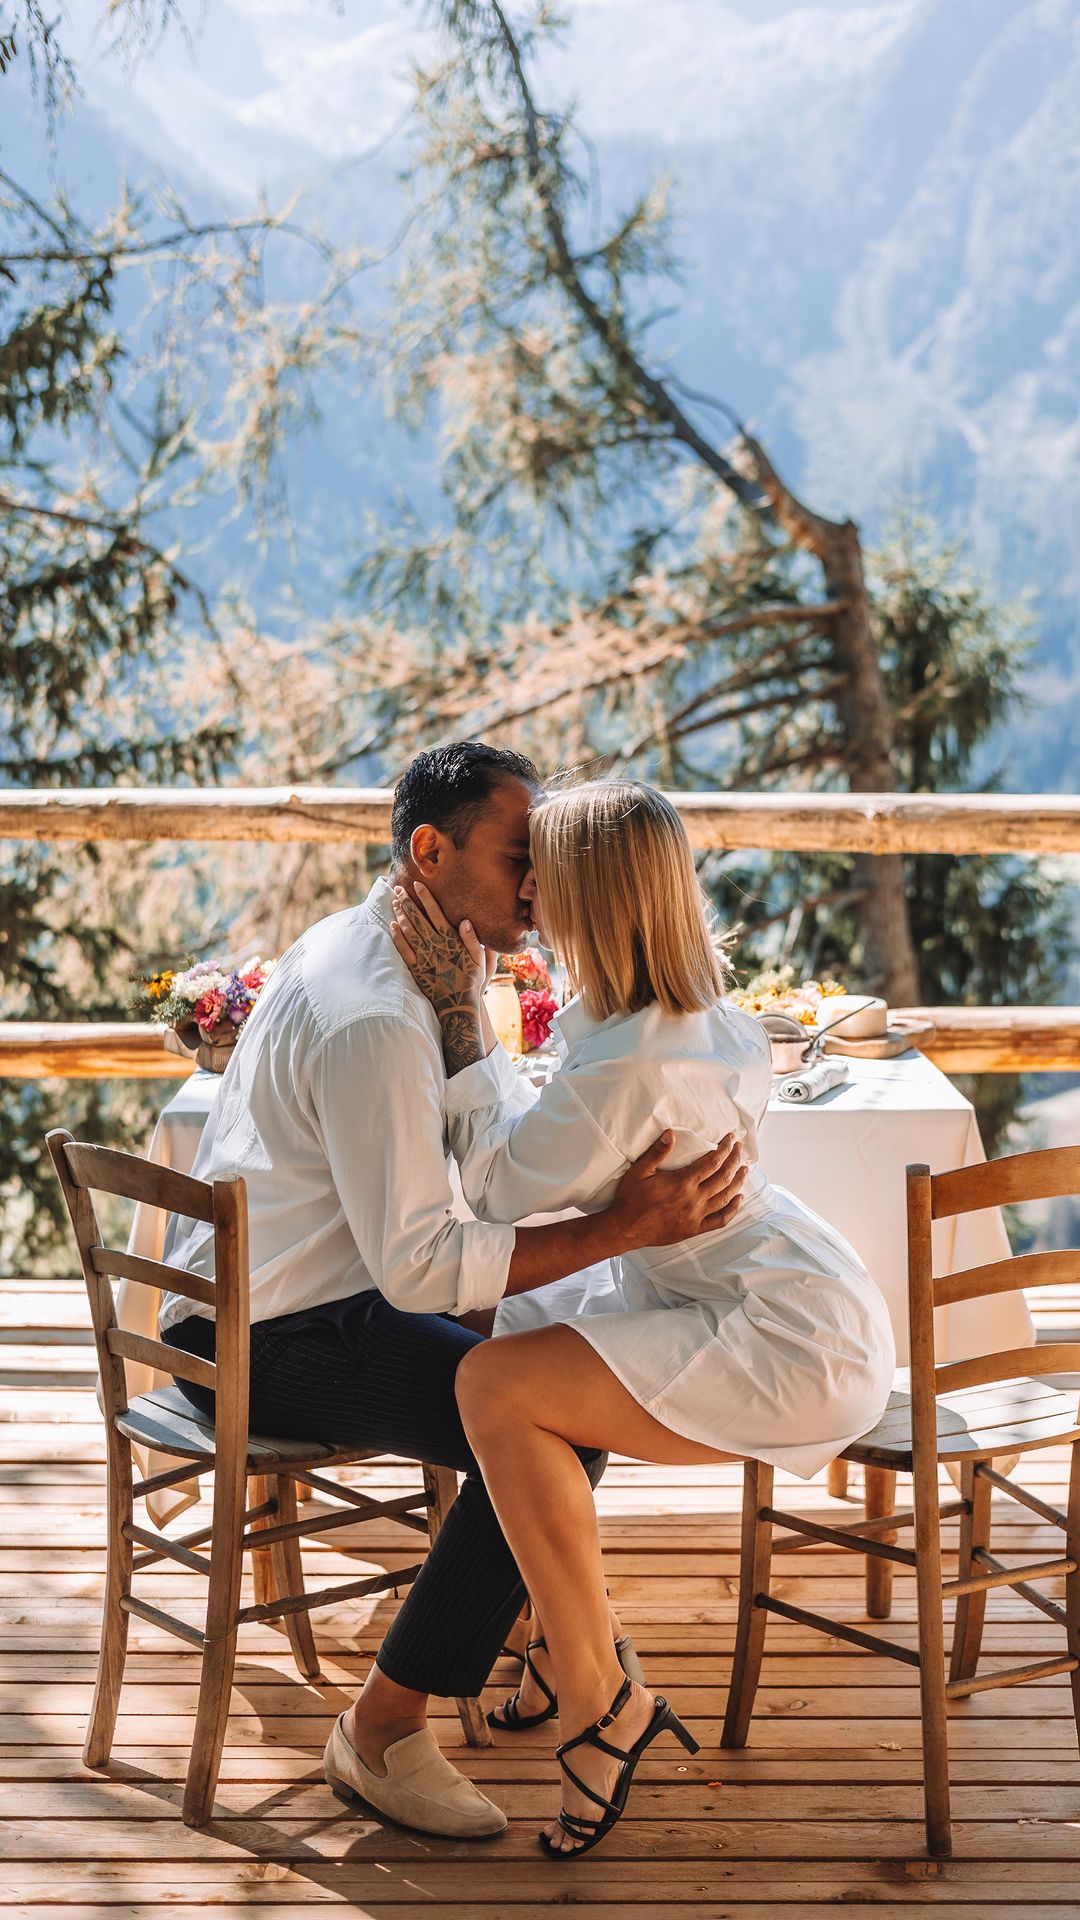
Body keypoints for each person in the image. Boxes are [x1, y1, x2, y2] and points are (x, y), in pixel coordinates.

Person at [159, 743, 747, 1841]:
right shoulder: (377, 1014)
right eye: (520, 856)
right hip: (265, 1332)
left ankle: (553, 1642)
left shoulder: (411, 951)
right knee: (550, 1421)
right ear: (430, 851)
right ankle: (379, 1734)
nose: (540, 884)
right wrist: (619, 1227)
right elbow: (422, 1267)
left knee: (559, 1368)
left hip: (297, 1286)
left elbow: (462, 1179)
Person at [391, 778, 896, 1860]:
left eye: (542, 871)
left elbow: (489, 1189)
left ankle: (598, 1694)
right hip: (798, 1289)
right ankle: (547, 1640)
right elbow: (573, 1137)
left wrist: (456, 1018)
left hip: (777, 1337)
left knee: (491, 1383)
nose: (524, 887)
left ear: (590, 895)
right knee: (509, 1333)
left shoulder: (627, 1057)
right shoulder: (697, 1016)